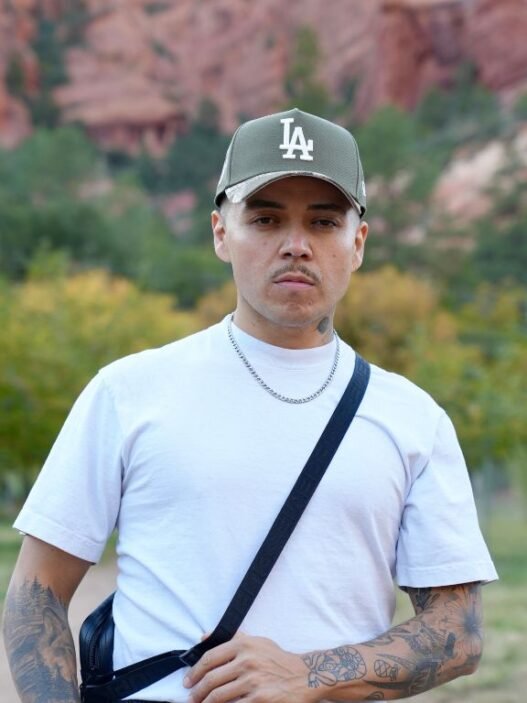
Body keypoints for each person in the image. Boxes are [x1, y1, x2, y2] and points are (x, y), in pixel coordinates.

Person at [3, 108, 497, 703]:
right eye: (265, 219)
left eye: (324, 222)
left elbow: (457, 634)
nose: (296, 246)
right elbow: (36, 593)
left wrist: (308, 673)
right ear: (220, 233)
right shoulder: (128, 392)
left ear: (357, 243)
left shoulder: (413, 419)